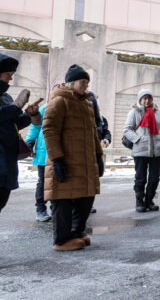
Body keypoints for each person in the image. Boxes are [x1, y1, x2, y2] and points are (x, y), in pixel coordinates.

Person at [42, 64, 104, 251]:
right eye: (83, 82)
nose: (86, 85)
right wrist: (57, 159)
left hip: (85, 162)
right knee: (63, 200)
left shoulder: (87, 104)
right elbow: (49, 130)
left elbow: (94, 134)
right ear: (72, 82)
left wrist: (99, 156)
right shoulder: (60, 101)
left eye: (87, 82)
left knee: (86, 197)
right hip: (66, 160)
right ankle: (61, 240)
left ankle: (76, 232)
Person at [0, 54, 40, 213]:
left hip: (7, 162)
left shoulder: (5, 97)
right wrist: (16, 106)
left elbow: (14, 123)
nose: (10, 79)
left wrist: (28, 115)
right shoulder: (11, 102)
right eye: (7, 74)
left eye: (12, 75)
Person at [123, 89, 160, 212]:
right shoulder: (134, 112)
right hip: (140, 150)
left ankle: (149, 201)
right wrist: (138, 139)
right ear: (139, 99)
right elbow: (127, 129)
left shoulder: (159, 113)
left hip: (156, 151)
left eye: (149, 98)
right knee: (140, 178)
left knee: (154, 178)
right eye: (144, 98)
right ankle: (139, 202)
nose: (146, 100)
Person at [25, 102, 52, 222]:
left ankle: (56, 208)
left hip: (61, 152)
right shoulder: (44, 108)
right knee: (43, 181)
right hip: (44, 151)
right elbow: (35, 125)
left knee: (59, 182)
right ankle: (40, 209)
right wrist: (29, 141)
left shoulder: (68, 106)